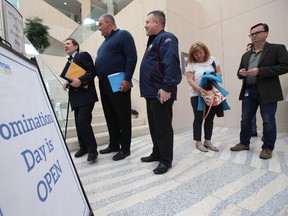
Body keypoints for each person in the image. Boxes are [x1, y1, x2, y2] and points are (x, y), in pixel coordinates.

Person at [230, 23, 288, 159]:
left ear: (266, 33)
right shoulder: (246, 55)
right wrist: (241, 72)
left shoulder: (277, 49)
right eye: (252, 34)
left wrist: (260, 71)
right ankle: (244, 143)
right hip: (248, 91)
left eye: (257, 33)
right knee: (245, 120)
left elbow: (285, 66)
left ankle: (267, 148)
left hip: (267, 91)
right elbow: (239, 74)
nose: (254, 36)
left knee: (268, 120)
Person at [139, 10, 182, 174]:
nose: (145, 25)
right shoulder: (153, 41)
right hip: (151, 92)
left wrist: (166, 87)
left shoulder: (167, 38)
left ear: (157, 23)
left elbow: (171, 63)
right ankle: (157, 153)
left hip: (160, 92)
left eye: (148, 22)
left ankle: (166, 160)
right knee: (154, 126)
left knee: (163, 127)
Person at [94, 14, 137, 161]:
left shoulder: (123, 35)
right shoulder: (103, 44)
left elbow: (132, 57)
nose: (99, 28)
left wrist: (127, 78)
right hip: (103, 83)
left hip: (118, 81)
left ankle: (125, 148)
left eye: (100, 25)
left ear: (108, 23)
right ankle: (114, 144)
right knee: (110, 115)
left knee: (122, 115)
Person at [62, 38, 98, 162]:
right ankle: (83, 147)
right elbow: (74, 77)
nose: (65, 46)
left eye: (68, 44)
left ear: (76, 46)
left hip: (86, 95)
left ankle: (92, 150)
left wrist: (81, 81)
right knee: (78, 123)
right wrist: (68, 82)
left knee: (83, 121)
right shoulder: (69, 62)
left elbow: (92, 72)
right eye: (64, 44)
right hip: (76, 97)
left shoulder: (83, 55)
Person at [185, 42, 224, 153]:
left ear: (205, 50)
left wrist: (211, 76)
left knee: (210, 118)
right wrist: (201, 90)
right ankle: (198, 142)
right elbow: (190, 80)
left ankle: (207, 141)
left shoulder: (212, 60)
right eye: (196, 54)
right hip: (197, 95)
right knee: (198, 118)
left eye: (200, 52)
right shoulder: (191, 64)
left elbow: (219, 73)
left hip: (211, 94)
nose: (199, 55)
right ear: (192, 55)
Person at [246, 43, 258, 137]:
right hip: (248, 88)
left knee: (266, 116)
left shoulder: (258, 59)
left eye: (248, 49)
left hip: (261, 88)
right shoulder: (246, 59)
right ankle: (252, 130)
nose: (247, 51)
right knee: (248, 113)